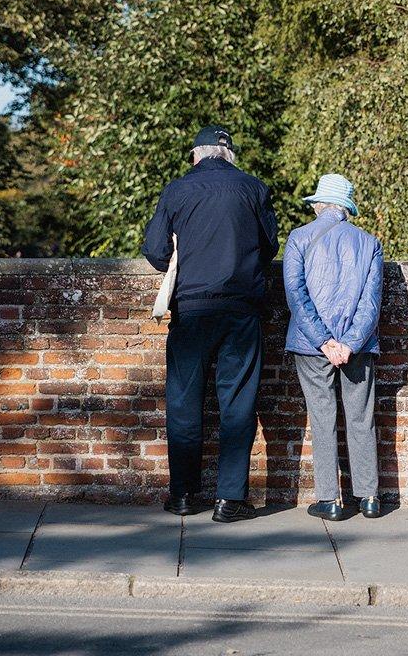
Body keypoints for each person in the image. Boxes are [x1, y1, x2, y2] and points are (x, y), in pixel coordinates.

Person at [142, 125, 279, 523]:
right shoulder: (254, 189)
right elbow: (269, 246)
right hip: (241, 308)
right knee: (237, 401)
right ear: (229, 154)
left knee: (184, 401)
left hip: (191, 308)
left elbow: (154, 249)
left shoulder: (178, 190)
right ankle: (229, 499)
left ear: (195, 155)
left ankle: (184, 495)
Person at [283, 173, 383, 522]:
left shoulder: (299, 239)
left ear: (319, 205)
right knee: (361, 418)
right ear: (346, 209)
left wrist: (325, 341)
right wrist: (350, 343)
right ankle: (369, 497)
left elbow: (296, 296)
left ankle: (330, 500)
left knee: (323, 418)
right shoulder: (369, 243)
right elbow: (371, 304)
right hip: (358, 346)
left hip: (312, 347)